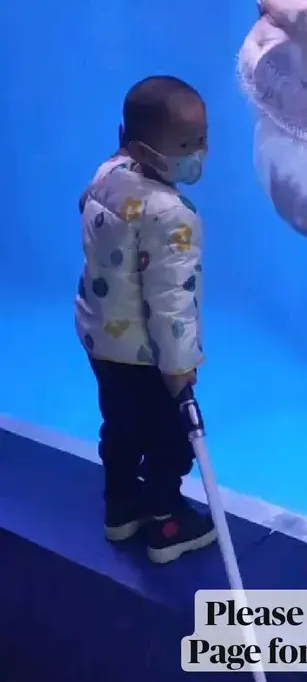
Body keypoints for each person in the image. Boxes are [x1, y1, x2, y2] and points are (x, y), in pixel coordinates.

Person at [75, 75, 216, 563]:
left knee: (120, 426)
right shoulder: (172, 215)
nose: (198, 152)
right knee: (169, 437)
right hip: (149, 356)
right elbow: (171, 301)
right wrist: (179, 367)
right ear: (139, 148)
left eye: (201, 138)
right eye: (185, 144)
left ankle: (120, 509)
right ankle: (165, 519)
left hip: (101, 342)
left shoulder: (106, 176)